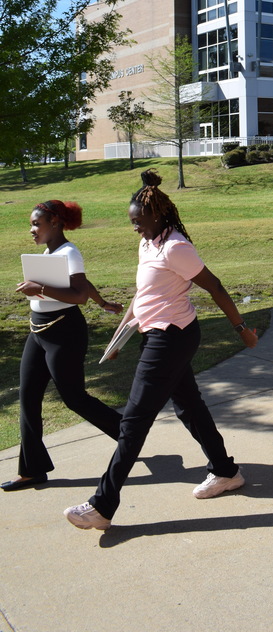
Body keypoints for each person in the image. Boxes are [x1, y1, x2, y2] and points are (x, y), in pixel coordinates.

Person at [64, 169, 258, 530]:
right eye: (132, 221)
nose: (134, 227)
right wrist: (121, 335)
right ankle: (226, 471)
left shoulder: (176, 247)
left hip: (173, 337)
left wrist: (241, 329)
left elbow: (215, 286)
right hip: (155, 335)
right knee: (189, 406)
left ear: (156, 216)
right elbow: (145, 296)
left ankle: (102, 506)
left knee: (134, 422)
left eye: (137, 221)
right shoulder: (148, 242)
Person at [2, 200, 123, 492]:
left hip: (64, 332)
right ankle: (32, 470)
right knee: (28, 398)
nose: (31, 230)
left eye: (36, 224)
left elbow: (78, 294)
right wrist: (103, 303)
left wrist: (39, 289)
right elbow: (82, 284)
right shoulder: (50, 252)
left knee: (74, 398)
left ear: (55, 223)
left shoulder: (70, 252)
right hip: (38, 332)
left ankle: (128, 433)